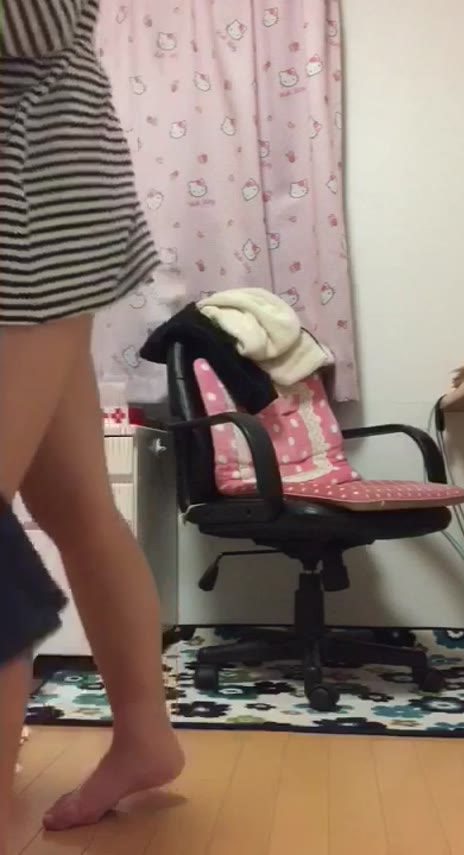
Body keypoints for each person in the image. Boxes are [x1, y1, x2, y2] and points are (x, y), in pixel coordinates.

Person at [0, 0, 184, 848]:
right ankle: (146, 735)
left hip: (30, 230)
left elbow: (39, 22)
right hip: (40, 221)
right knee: (77, 505)